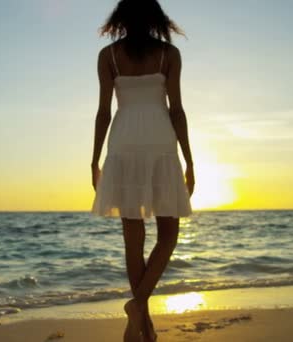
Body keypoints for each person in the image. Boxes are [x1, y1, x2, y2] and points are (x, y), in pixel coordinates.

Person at [90, 1, 195, 341]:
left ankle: (140, 314)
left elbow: (103, 112)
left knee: (133, 241)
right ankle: (141, 317)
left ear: (120, 18)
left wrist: (94, 160)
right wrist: (190, 160)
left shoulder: (109, 56)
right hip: (161, 144)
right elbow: (176, 110)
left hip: (123, 145)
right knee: (168, 235)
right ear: (156, 18)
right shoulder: (169, 55)